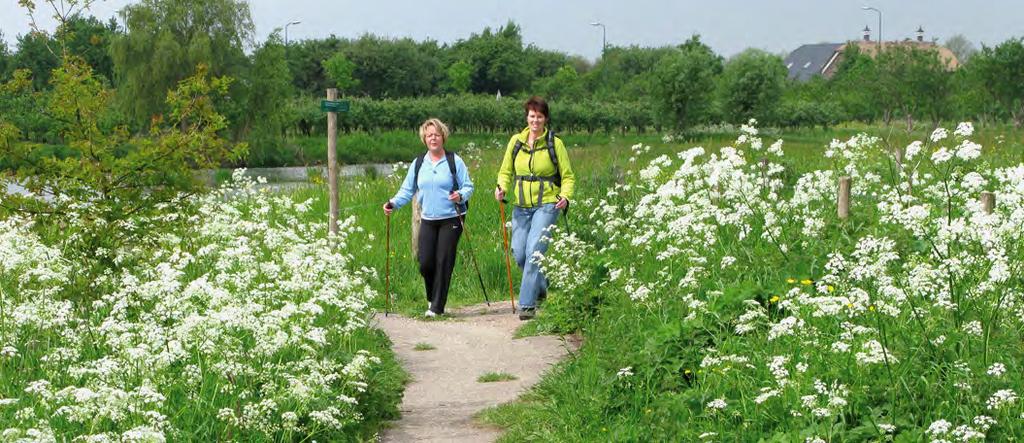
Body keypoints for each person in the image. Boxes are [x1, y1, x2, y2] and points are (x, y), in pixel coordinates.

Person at [494, 96, 575, 320]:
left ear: (545, 118)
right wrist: (501, 187)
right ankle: (541, 288)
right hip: (521, 207)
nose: (535, 120)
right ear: (527, 117)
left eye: (539, 116)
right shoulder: (516, 142)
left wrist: (565, 197)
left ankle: (527, 306)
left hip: (547, 205)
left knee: (533, 253)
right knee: (520, 254)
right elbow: (505, 171)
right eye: (532, 116)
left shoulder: (554, 143)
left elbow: (568, 176)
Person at [384, 118, 474, 317]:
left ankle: (437, 307)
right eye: (429, 135)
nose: (433, 138)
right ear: (424, 139)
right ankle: (431, 297)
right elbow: (407, 190)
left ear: (443, 137)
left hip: (452, 217)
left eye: (437, 134)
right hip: (428, 219)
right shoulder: (418, 163)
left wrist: (461, 195)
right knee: (425, 262)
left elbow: (468, 186)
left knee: (444, 260)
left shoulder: (454, 161)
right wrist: (392, 203)